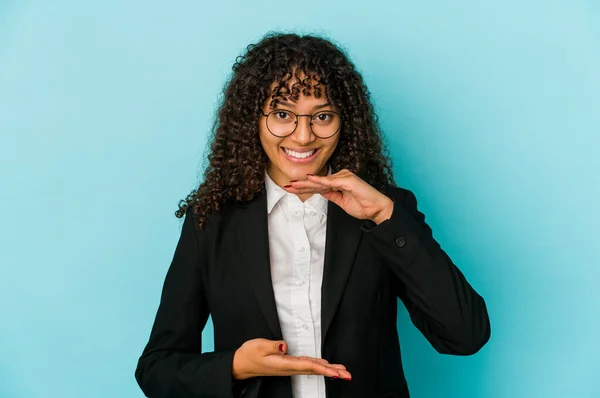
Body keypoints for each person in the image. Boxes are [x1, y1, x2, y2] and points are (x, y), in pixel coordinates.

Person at [134, 32, 491, 398]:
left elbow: (465, 335)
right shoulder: (211, 221)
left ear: (344, 120)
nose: (303, 136)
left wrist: (385, 216)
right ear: (252, 120)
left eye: (322, 116)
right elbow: (157, 368)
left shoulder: (386, 211)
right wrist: (236, 366)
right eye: (283, 114)